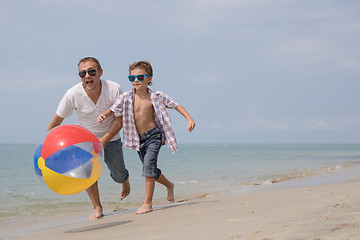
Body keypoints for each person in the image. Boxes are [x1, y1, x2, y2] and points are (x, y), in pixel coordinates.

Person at [98, 60, 195, 214]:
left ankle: (147, 203)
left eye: (140, 77)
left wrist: (189, 119)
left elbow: (176, 105)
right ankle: (169, 185)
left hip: (153, 136)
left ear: (149, 78)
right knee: (151, 170)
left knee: (147, 168)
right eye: (132, 78)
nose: (136, 80)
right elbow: (113, 108)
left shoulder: (157, 96)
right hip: (138, 139)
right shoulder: (126, 97)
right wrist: (104, 114)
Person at [47, 57, 130, 220]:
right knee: (87, 175)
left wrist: (105, 139)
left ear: (100, 72)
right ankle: (97, 207)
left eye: (92, 71)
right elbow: (58, 118)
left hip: (111, 137)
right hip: (84, 140)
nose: (87, 76)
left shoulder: (114, 89)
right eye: (83, 73)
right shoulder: (72, 93)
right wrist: (46, 141)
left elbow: (120, 121)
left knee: (118, 173)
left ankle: (124, 180)